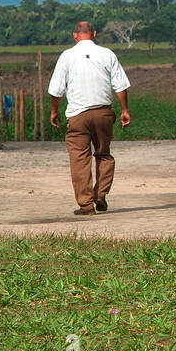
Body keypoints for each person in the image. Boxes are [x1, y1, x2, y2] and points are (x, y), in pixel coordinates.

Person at [48, 21, 131, 216]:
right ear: (94, 34)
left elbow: (56, 90)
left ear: (74, 35)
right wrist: (125, 110)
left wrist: (54, 111)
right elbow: (120, 86)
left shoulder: (67, 56)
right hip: (103, 113)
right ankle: (100, 194)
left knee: (79, 158)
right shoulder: (107, 54)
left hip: (78, 115)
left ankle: (86, 204)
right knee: (104, 154)